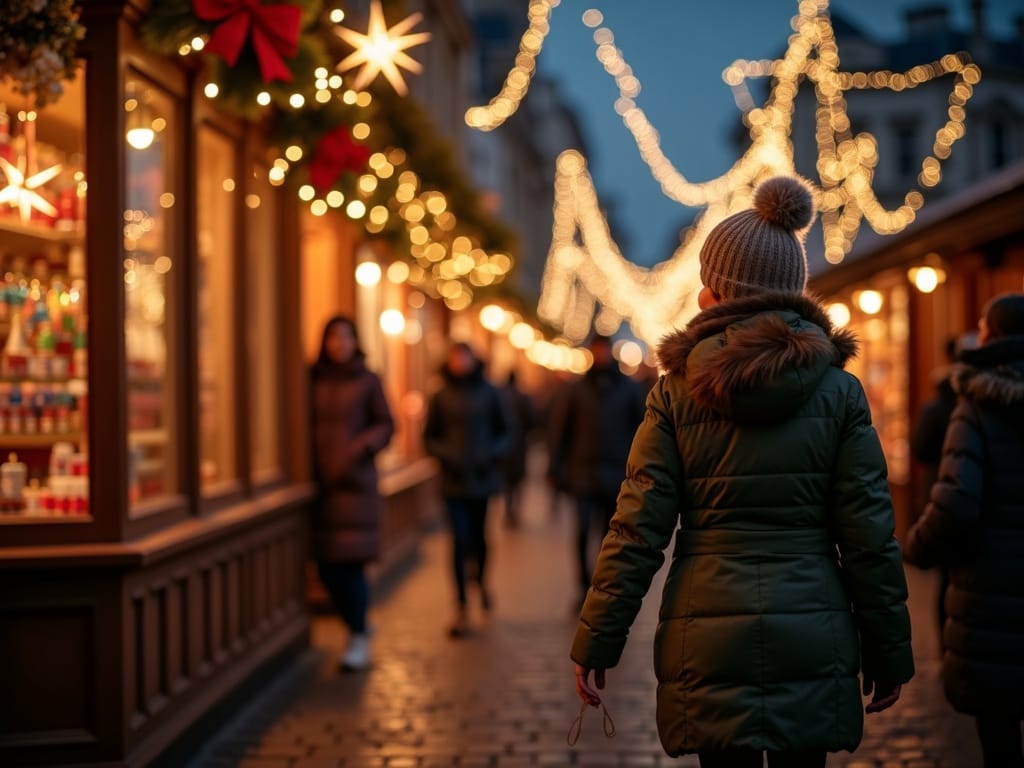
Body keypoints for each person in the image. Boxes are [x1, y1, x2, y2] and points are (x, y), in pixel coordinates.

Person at [570, 176, 914, 766]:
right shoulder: (840, 393)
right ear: (793, 290)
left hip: (708, 632)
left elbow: (638, 528)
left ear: (715, 295)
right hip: (812, 625)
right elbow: (868, 538)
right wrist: (889, 652)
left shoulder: (675, 392)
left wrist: (598, 638)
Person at [905, 292, 1024, 768]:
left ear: (990, 335)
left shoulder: (974, 404)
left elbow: (955, 501)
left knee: (1000, 738)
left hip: (991, 590)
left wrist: (917, 545)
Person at [309, 315, 394, 671]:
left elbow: (386, 424)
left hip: (355, 487)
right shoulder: (312, 379)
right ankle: (356, 625)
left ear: (355, 341)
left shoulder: (367, 380)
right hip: (320, 489)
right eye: (332, 337)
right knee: (326, 568)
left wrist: (361, 447)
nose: (339, 344)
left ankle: (357, 636)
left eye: (345, 337)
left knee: (351, 567)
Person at [548, 335, 645, 605]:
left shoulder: (628, 389)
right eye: (597, 350)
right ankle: (583, 585)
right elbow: (560, 430)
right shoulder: (577, 389)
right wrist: (555, 466)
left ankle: (604, 586)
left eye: (604, 350)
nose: (601, 354)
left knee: (609, 536)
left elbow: (642, 431)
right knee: (581, 530)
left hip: (617, 474)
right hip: (582, 473)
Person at [424, 342, 511, 637]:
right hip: (453, 480)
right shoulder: (440, 395)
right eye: (454, 357)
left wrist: (490, 454)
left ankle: (482, 582)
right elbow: (429, 437)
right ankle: (460, 604)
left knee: (480, 537)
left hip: (483, 478)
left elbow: (506, 432)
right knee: (459, 540)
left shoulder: (490, 392)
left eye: (464, 357)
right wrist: (447, 455)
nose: (459, 362)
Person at [909, 331, 976, 651]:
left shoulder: (938, 405)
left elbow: (920, 449)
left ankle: (946, 649)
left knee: (947, 578)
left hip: (941, 491)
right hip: (970, 501)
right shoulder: (977, 402)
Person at [499, 371, 534, 529]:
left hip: (506, 448)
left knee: (507, 482)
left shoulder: (500, 396)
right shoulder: (522, 397)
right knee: (517, 482)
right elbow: (531, 420)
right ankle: (514, 511)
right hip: (519, 446)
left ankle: (508, 510)